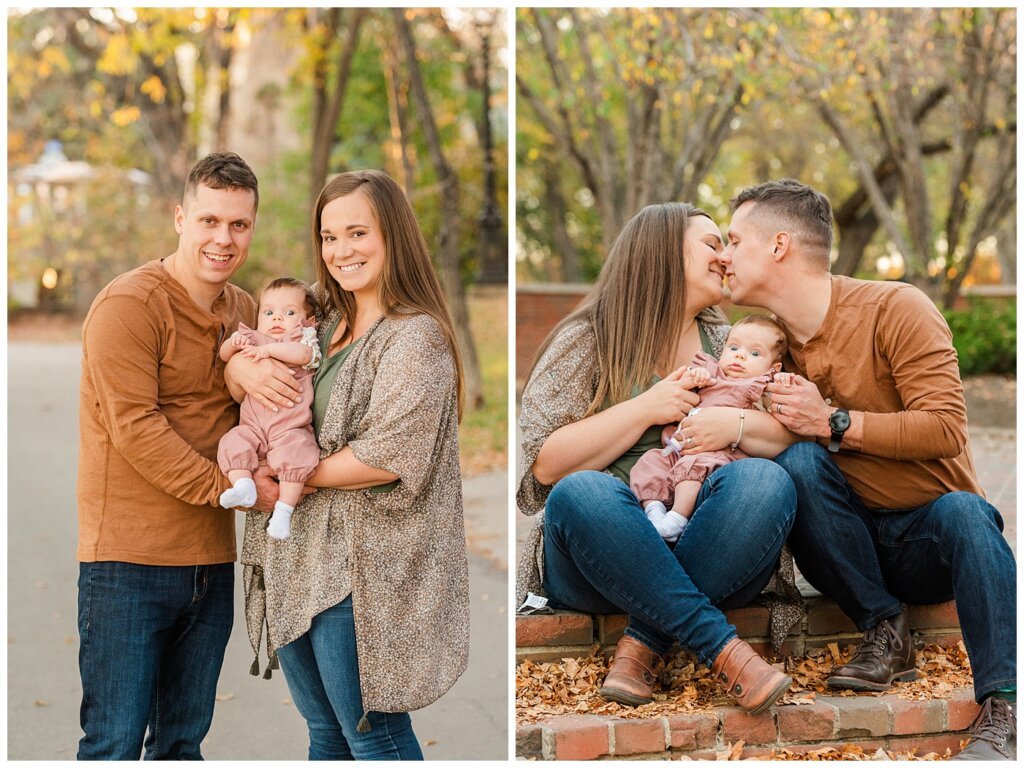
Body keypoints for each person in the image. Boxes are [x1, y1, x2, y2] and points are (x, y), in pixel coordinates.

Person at [720, 178, 1016, 760]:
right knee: (799, 462)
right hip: (841, 547)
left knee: (967, 512)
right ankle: (885, 630)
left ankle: (1005, 707)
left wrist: (832, 420)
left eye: (732, 240)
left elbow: (945, 427)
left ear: (779, 245)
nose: (723, 256)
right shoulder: (765, 350)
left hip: (927, 540)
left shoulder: (895, 308)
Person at [516, 202, 803, 714]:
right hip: (602, 559)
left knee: (766, 481)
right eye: (712, 244)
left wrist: (733, 424)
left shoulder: (729, 342)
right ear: (664, 254)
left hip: (715, 546)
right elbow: (544, 466)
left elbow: (787, 438)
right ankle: (723, 649)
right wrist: (648, 406)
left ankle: (645, 643)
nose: (725, 257)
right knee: (583, 490)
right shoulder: (590, 338)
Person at [226, 169, 469, 760]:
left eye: (357, 232)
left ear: (392, 235)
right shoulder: (322, 321)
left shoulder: (415, 337)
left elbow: (387, 456)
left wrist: (282, 480)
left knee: (373, 733)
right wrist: (238, 371)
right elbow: (257, 366)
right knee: (324, 733)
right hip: (299, 560)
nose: (341, 251)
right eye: (329, 237)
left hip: (362, 570)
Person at [76, 152, 260, 759]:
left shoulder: (246, 310)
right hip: (127, 565)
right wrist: (231, 490)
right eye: (210, 220)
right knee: (114, 743)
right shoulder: (128, 306)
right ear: (180, 217)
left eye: (238, 225)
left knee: (182, 745)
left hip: (212, 564)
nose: (223, 238)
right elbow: (136, 428)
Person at [631, 315, 786, 542]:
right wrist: (697, 377)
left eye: (754, 353)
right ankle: (654, 511)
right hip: (678, 449)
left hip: (717, 455)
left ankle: (677, 519)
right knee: (651, 461)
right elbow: (684, 387)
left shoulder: (761, 386)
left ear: (773, 367)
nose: (740, 356)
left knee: (694, 465)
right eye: (733, 347)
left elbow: (773, 418)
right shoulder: (710, 373)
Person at [217, 277, 322, 539]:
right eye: (269, 312)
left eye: (289, 312)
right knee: (232, 441)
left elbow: (303, 356)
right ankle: (243, 485)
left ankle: (283, 512)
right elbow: (223, 354)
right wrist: (235, 343)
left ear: (307, 321)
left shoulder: (302, 339)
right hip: (253, 427)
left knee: (297, 453)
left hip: (289, 428)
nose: (277, 319)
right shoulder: (254, 337)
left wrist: (269, 351)